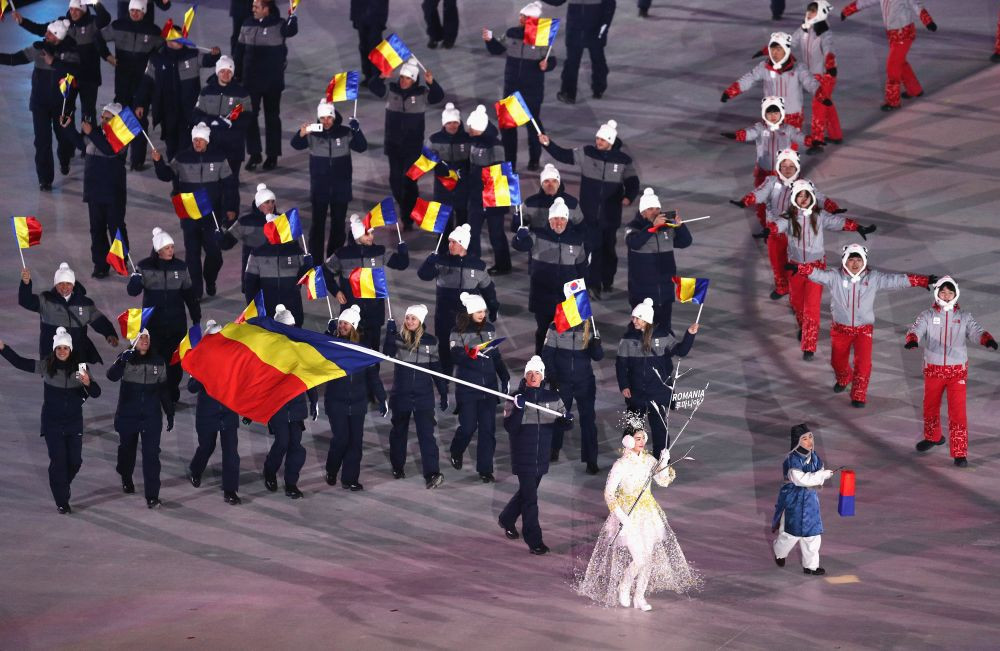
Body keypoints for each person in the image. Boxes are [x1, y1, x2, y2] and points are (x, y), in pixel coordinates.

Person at [577, 416, 701, 609]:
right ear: (628, 440)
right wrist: (622, 517)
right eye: (637, 438)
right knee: (640, 558)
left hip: (648, 514)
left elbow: (663, 481)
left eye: (643, 437)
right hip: (628, 515)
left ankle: (640, 597)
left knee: (648, 559)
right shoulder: (621, 465)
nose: (641, 441)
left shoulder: (649, 460)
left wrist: (664, 462)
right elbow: (609, 494)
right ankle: (624, 586)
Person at [788, 244, 931, 407]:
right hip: (840, 330)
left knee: (863, 364)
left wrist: (922, 281)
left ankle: (858, 394)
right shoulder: (835, 276)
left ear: (864, 261)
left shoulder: (873, 278)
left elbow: (895, 280)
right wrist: (800, 268)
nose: (855, 264)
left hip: (864, 331)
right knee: (837, 362)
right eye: (851, 260)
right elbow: (818, 274)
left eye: (859, 260)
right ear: (844, 261)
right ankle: (843, 378)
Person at [0, 328, 101, 514]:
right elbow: (20, 363)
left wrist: (88, 383)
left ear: (70, 349)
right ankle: (62, 501)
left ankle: (61, 484)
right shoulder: (47, 366)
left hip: (73, 423)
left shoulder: (80, 368)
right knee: (59, 462)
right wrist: (3, 348)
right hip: (52, 423)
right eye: (59, 348)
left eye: (65, 348)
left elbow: (96, 393)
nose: (62, 351)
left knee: (75, 462)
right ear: (54, 350)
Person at [770, 180, 873, 360]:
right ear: (794, 197)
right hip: (794, 267)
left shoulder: (819, 216)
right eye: (800, 195)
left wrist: (857, 227)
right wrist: (768, 230)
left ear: (811, 197)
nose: (803, 199)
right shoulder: (789, 217)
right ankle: (804, 326)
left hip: (815, 267)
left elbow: (837, 221)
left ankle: (809, 344)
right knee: (796, 302)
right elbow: (777, 225)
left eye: (807, 195)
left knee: (811, 307)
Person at [538, 120, 639, 298]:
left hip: (610, 216)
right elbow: (565, 155)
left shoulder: (623, 161)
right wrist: (548, 144)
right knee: (593, 249)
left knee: (609, 249)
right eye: (598, 138)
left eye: (602, 140)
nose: (598, 142)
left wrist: (628, 196)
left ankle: (607, 280)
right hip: (589, 215)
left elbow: (632, 181)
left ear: (611, 141)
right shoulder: (587, 153)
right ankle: (594, 285)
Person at [905, 277, 996, 467]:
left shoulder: (964, 316)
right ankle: (933, 437)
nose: (946, 296)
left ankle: (959, 452)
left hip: (956, 373)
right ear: (937, 293)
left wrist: (986, 339)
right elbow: (917, 328)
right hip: (934, 371)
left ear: (955, 294)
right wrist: (913, 339)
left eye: (950, 292)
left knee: (958, 413)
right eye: (943, 292)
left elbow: (975, 331)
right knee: (930, 406)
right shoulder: (927, 315)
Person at [731, 149, 845, 298]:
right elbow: (759, 193)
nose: (787, 170)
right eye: (784, 166)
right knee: (777, 260)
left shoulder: (804, 185)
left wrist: (832, 207)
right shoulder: (771, 182)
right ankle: (782, 287)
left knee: (796, 262)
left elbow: (820, 197)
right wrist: (746, 201)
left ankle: (799, 289)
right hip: (776, 231)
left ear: (797, 167)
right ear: (778, 166)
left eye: (791, 166)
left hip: (797, 231)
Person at [152, 122, 239, 298]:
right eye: (195, 139)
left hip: (212, 215)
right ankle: (197, 291)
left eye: (200, 139)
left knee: (214, 254)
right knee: (192, 254)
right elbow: (167, 175)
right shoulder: (183, 157)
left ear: (207, 140)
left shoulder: (218, 157)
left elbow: (230, 184)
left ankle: (210, 278)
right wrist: (159, 162)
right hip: (189, 214)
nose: (197, 142)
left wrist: (230, 207)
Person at [0, 19, 81, 190]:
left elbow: (75, 74)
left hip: (62, 105)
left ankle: (65, 158)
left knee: (64, 139)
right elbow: (15, 59)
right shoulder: (39, 49)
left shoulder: (72, 51)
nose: (46, 34)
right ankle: (45, 180)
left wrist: (55, 62)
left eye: (50, 33)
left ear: (58, 37)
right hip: (40, 104)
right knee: (42, 142)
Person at [498, 356, 566, 555]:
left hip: (541, 456)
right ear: (525, 376)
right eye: (529, 373)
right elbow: (510, 427)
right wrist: (518, 409)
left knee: (526, 493)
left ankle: (506, 519)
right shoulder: (515, 397)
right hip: (523, 456)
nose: (533, 376)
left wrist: (567, 419)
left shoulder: (552, 398)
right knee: (530, 500)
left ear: (542, 376)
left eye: (537, 373)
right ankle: (534, 539)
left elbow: (563, 424)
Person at [615, 298, 698, 457]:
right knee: (633, 429)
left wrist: (690, 335)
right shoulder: (627, 338)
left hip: (658, 392)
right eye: (633, 317)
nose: (633, 321)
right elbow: (620, 365)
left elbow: (680, 351)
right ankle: (630, 459)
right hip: (636, 392)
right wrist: (624, 385)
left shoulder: (663, 335)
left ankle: (660, 462)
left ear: (645, 319)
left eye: (637, 318)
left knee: (660, 429)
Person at [127, 227, 201, 402]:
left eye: (172, 247)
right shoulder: (144, 267)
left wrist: (196, 316)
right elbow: (132, 291)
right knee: (158, 361)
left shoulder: (180, 267)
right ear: (158, 250)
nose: (171, 251)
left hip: (176, 324)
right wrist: (135, 281)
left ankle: (172, 391)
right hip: (154, 325)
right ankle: (160, 394)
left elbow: (189, 294)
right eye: (167, 248)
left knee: (175, 362)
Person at [369, 59, 445, 229]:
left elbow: (438, 96)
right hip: (393, 145)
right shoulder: (392, 90)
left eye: (408, 78)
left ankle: (407, 217)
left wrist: (432, 83)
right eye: (402, 77)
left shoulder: (421, 94)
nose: (403, 81)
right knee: (395, 180)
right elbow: (374, 86)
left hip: (412, 146)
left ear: (414, 80)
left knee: (409, 181)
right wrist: (380, 77)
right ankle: (407, 207)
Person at [483, 1, 557, 171]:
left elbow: (551, 59)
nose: (521, 19)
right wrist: (490, 40)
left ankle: (534, 159)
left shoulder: (542, 37)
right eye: (521, 16)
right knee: (508, 129)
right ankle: (510, 164)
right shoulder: (512, 33)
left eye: (525, 17)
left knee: (533, 126)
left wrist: (547, 65)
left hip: (532, 89)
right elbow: (497, 49)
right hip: (511, 87)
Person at [417, 224, 500, 374]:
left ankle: (468, 374)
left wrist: (493, 307)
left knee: (468, 345)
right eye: (449, 241)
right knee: (444, 345)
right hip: (444, 314)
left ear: (462, 244)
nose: (450, 245)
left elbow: (488, 289)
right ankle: (446, 375)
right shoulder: (441, 261)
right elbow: (423, 275)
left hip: (468, 317)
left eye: (454, 242)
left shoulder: (478, 266)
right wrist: (429, 262)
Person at [12, 0, 112, 124]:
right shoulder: (62, 24)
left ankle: (89, 139)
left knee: (88, 110)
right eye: (71, 9)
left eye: (77, 9)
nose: (73, 12)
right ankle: (68, 138)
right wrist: (23, 22)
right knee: (67, 109)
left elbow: (105, 18)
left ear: (84, 10)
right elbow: (40, 29)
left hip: (88, 76)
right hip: (68, 76)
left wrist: (93, 2)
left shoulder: (92, 23)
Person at [290, 102, 368, 260]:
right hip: (320, 188)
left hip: (341, 188)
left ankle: (334, 260)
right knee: (317, 225)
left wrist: (357, 130)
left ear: (334, 117)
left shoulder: (345, 132)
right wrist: (301, 133)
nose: (326, 121)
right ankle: (316, 261)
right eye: (323, 118)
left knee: (338, 226)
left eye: (329, 117)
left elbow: (361, 147)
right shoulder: (313, 133)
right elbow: (295, 145)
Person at [60, 103, 130, 278]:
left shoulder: (122, 136)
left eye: (108, 118)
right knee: (96, 229)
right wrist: (69, 127)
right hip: (94, 190)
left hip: (113, 191)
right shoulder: (97, 132)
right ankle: (100, 264)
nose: (103, 121)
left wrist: (91, 132)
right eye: (102, 117)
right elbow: (81, 144)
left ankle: (121, 260)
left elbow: (109, 150)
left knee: (116, 228)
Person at [383, 305, 449, 488]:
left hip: (423, 396)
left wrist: (443, 392)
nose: (410, 321)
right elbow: (387, 354)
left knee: (427, 435)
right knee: (398, 432)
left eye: (413, 318)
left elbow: (437, 369)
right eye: (407, 318)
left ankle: (432, 473)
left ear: (420, 321)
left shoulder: (431, 342)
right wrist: (389, 335)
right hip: (401, 394)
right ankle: (398, 466)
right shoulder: (397, 339)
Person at [323, 306, 387, 491]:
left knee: (355, 443)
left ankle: (350, 478)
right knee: (341, 439)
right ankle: (332, 468)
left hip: (358, 403)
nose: (342, 326)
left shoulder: (363, 350)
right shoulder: (332, 345)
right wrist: (326, 335)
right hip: (336, 402)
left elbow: (373, 376)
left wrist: (381, 397)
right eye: (341, 322)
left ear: (354, 326)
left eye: (346, 324)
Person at [512, 198, 588, 353]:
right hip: (543, 295)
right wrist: (519, 237)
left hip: (568, 299)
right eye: (554, 219)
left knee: (567, 335)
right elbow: (521, 245)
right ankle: (540, 364)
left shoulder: (576, 240)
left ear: (567, 220)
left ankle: (562, 367)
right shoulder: (537, 235)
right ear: (549, 220)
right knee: (543, 332)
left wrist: (582, 296)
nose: (558, 223)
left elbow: (582, 269)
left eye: (562, 219)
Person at [107, 329, 173, 508]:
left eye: (147, 337)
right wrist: (122, 361)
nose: (144, 340)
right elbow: (111, 376)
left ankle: (152, 496)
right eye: (141, 337)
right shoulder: (126, 358)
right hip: (128, 415)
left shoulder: (158, 361)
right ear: (134, 341)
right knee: (127, 451)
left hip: (151, 417)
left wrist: (170, 411)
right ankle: (126, 476)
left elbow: (164, 389)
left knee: (151, 456)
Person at [449, 292, 511, 483]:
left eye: (484, 311)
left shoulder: (490, 329)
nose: (482, 314)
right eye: (478, 311)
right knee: (468, 428)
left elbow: (496, 355)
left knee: (487, 430)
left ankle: (485, 469)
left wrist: (504, 376)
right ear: (469, 311)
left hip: (488, 388)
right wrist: (470, 353)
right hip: (468, 387)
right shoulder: (457, 331)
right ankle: (456, 450)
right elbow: (454, 355)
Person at [324, 214, 408, 352]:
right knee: (350, 351)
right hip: (350, 312)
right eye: (366, 234)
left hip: (374, 312)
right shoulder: (342, 254)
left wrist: (402, 250)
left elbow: (401, 264)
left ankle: (372, 373)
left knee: (373, 352)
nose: (371, 237)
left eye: (371, 233)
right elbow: (325, 272)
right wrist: (336, 290)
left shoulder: (379, 251)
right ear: (357, 236)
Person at [261, 305, 318, 498]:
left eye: (292, 326)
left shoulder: (300, 348)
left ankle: (291, 483)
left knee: (296, 445)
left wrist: (314, 400)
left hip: (295, 405)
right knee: (282, 442)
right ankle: (269, 471)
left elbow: (308, 376)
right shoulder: (268, 351)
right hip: (277, 405)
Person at [235, 0, 299, 170]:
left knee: (272, 118)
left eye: (256, 7)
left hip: (272, 82)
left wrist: (293, 16)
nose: (252, 9)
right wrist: (237, 75)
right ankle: (255, 154)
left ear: (266, 9)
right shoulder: (247, 23)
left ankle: (272, 155)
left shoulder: (279, 25)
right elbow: (239, 51)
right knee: (249, 117)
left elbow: (291, 30)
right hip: (250, 81)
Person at [134, 38, 221, 161]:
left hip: (189, 110)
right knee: (171, 142)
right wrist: (140, 103)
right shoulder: (156, 59)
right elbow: (147, 82)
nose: (179, 41)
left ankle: (183, 169)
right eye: (175, 39)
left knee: (185, 142)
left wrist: (215, 54)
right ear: (168, 41)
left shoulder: (192, 55)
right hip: (167, 111)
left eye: (181, 38)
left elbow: (208, 60)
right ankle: (175, 168)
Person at [721, 32, 828, 131]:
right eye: (772, 49)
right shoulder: (764, 67)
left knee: (788, 150)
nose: (774, 53)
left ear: (786, 50)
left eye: (778, 49)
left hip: (792, 116)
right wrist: (730, 92)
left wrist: (821, 94)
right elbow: (749, 78)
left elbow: (810, 82)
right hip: (771, 115)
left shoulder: (798, 68)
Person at [100, 0, 163, 170]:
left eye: (138, 11)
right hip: (122, 81)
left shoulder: (154, 32)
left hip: (143, 83)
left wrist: (153, 69)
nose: (135, 13)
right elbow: (98, 38)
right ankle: (118, 152)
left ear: (144, 12)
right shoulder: (118, 25)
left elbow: (162, 51)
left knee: (139, 119)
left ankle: (137, 160)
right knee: (121, 116)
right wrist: (108, 56)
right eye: (132, 10)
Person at [841, 0, 936, 110]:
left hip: (903, 33)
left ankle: (893, 101)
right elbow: (865, 1)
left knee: (893, 67)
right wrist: (847, 11)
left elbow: (916, 5)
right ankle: (915, 90)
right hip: (893, 34)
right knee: (900, 62)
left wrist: (928, 21)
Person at [187, 321, 242, 505]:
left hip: (228, 412)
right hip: (207, 413)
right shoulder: (200, 358)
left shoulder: (231, 360)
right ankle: (196, 469)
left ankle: (230, 490)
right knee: (206, 447)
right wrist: (204, 371)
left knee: (231, 453)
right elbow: (191, 387)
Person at [19, 263, 119, 364]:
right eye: (60, 283)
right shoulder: (46, 300)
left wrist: (109, 333)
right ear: (55, 284)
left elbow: (98, 320)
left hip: (78, 356)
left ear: (73, 284)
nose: (64, 287)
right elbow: (25, 301)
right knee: (53, 380)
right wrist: (26, 284)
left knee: (81, 379)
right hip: (51, 357)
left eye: (68, 283)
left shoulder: (85, 303)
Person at [541, 313, 603, 473]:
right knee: (558, 417)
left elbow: (598, 357)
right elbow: (547, 354)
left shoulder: (591, 327)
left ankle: (591, 460)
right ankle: (553, 449)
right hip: (562, 382)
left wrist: (596, 345)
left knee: (588, 421)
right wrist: (553, 377)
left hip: (585, 382)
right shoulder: (555, 326)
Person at [625, 188, 692, 333]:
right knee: (641, 329)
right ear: (643, 211)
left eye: (657, 208)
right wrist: (652, 227)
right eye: (650, 209)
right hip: (642, 290)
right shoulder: (633, 227)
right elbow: (634, 243)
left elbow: (685, 242)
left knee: (664, 327)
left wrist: (680, 227)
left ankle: (663, 353)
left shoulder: (666, 228)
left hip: (665, 289)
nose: (655, 212)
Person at [720, 97, 809, 207]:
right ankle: (766, 219)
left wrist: (811, 141)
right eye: (769, 113)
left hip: (783, 172)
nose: (773, 116)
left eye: (776, 113)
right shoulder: (760, 128)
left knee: (784, 200)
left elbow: (799, 136)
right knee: (762, 201)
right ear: (764, 114)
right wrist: (737, 135)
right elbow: (750, 133)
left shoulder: (787, 129)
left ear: (781, 113)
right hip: (764, 170)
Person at [772, 423, 834, 576]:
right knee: (790, 535)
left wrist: (821, 476)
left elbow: (818, 477)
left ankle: (811, 566)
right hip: (795, 501)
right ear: (797, 441)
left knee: (813, 535)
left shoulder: (815, 458)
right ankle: (779, 552)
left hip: (811, 501)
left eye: (810, 437)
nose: (809, 441)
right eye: (805, 438)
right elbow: (801, 480)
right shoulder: (792, 460)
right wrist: (822, 476)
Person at [464, 105, 513, 275]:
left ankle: (503, 264)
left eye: (471, 127)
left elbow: (499, 173)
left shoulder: (495, 146)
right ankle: (473, 263)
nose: (468, 130)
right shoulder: (475, 141)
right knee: (473, 232)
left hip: (492, 197)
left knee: (496, 233)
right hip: (477, 196)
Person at [244, 210, 313, 328]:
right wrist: (254, 310)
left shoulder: (296, 251)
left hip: (292, 310)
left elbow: (307, 279)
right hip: (267, 310)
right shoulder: (257, 253)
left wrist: (308, 266)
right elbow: (250, 284)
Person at [192, 55, 253, 183]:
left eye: (229, 71)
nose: (225, 74)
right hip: (212, 146)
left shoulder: (241, 94)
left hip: (233, 147)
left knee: (231, 183)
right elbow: (196, 114)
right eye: (222, 71)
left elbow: (247, 117)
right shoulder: (206, 91)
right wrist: (209, 122)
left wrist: (231, 123)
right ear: (217, 72)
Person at [542, 0, 615, 105]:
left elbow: (610, 5)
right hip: (578, 30)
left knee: (595, 59)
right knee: (575, 62)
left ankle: (593, 89)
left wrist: (603, 27)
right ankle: (572, 93)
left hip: (590, 29)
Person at [792, 2, 842, 147]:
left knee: (818, 107)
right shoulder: (803, 29)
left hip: (826, 74)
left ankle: (817, 140)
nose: (809, 14)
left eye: (813, 11)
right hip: (812, 75)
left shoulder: (825, 33)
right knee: (827, 104)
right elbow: (790, 42)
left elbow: (828, 48)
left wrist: (830, 62)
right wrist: (775, 49)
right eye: (809, 10)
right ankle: (836, 134)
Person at [425, 102, 471, 247]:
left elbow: (472, 159)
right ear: (444, 123)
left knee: (462, 216)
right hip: (442, 186)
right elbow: (426, 161)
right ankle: (443, 247)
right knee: (443, 218)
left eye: (455, 122)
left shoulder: (467, 138)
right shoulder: (434, 139)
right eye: (449, 123)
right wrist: (440, 169)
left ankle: (462, 246)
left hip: (462, 185)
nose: (452, 126)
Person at [218, 183, 272, 292]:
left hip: (274, 278)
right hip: (252, 278)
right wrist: (220, 234)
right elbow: (226, 243)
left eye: (272, 201)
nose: (270, 205)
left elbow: (290, 249)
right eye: (267, 202)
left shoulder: (281, 221)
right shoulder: (245, 221)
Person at [518, 164, 582, 234]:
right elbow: (517, 228)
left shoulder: (573, 204)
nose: (550, 185)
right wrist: (517, 220)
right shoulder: (529, 204)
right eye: (546, 181)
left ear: (559, 183)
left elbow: (580, 230)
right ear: (542, 184)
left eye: (554, 181)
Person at [349, 0, 388, 87]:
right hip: (361, 15)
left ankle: (377, 77)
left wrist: (381, 19)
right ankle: (368, 75)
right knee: (364, 47)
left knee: (375, 47)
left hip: (375, 16)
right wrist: (354, 16)